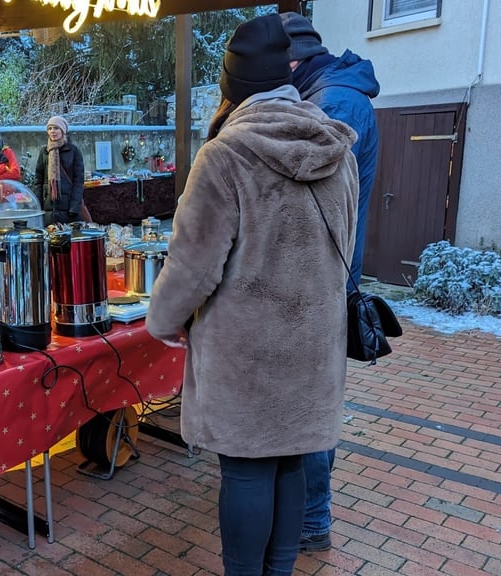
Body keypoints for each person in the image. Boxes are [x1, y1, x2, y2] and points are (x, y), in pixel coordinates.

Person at [145, 13, 357, 576]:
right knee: (290, 464)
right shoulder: (340, 152)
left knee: (245, 472)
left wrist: (161, 322)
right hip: (313, 347)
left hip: (244, 355)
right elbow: (347, 251)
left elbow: (192, 267)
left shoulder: (225, 157)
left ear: (233, 88)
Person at [281, 11, 381, 553]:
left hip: (322, 279)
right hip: (319, 274)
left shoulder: (337, 102)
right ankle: (305, 511)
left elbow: (304, 186)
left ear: (292, 61)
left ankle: (311, 519)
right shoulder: (329, 93)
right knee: (307, 400)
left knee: (310, 404)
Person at [33, 116, 85, 224]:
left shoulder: (73, 150)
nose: (53, 131)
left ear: (63, 131)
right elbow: (38, 180)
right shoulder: (44, 151)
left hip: (68, 207)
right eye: (50, 128)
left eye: (56, 128)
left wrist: (74, 207)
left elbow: (78, 181)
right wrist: (37, 206)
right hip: (48, 207)